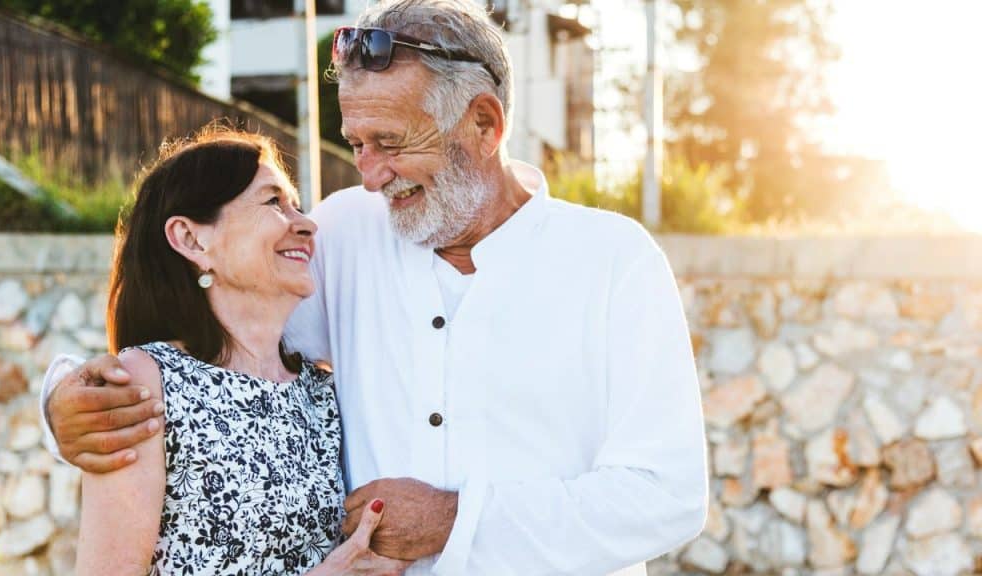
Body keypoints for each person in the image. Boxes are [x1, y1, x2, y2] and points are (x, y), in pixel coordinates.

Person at [43, 0, 709, 573]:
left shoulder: (614, 262)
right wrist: (61, 400)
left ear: (484, 124)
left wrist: (455, 521)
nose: (369, 174)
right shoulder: (342, 232)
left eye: (389, 141)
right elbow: (215, 355)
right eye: (356, 143)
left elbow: (668, 495)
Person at [73, 128, 408, 575]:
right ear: (192, 240)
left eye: (295, 204)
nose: (306, 224)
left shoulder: (321, 393)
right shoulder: (146, 384)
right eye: (273, 202)